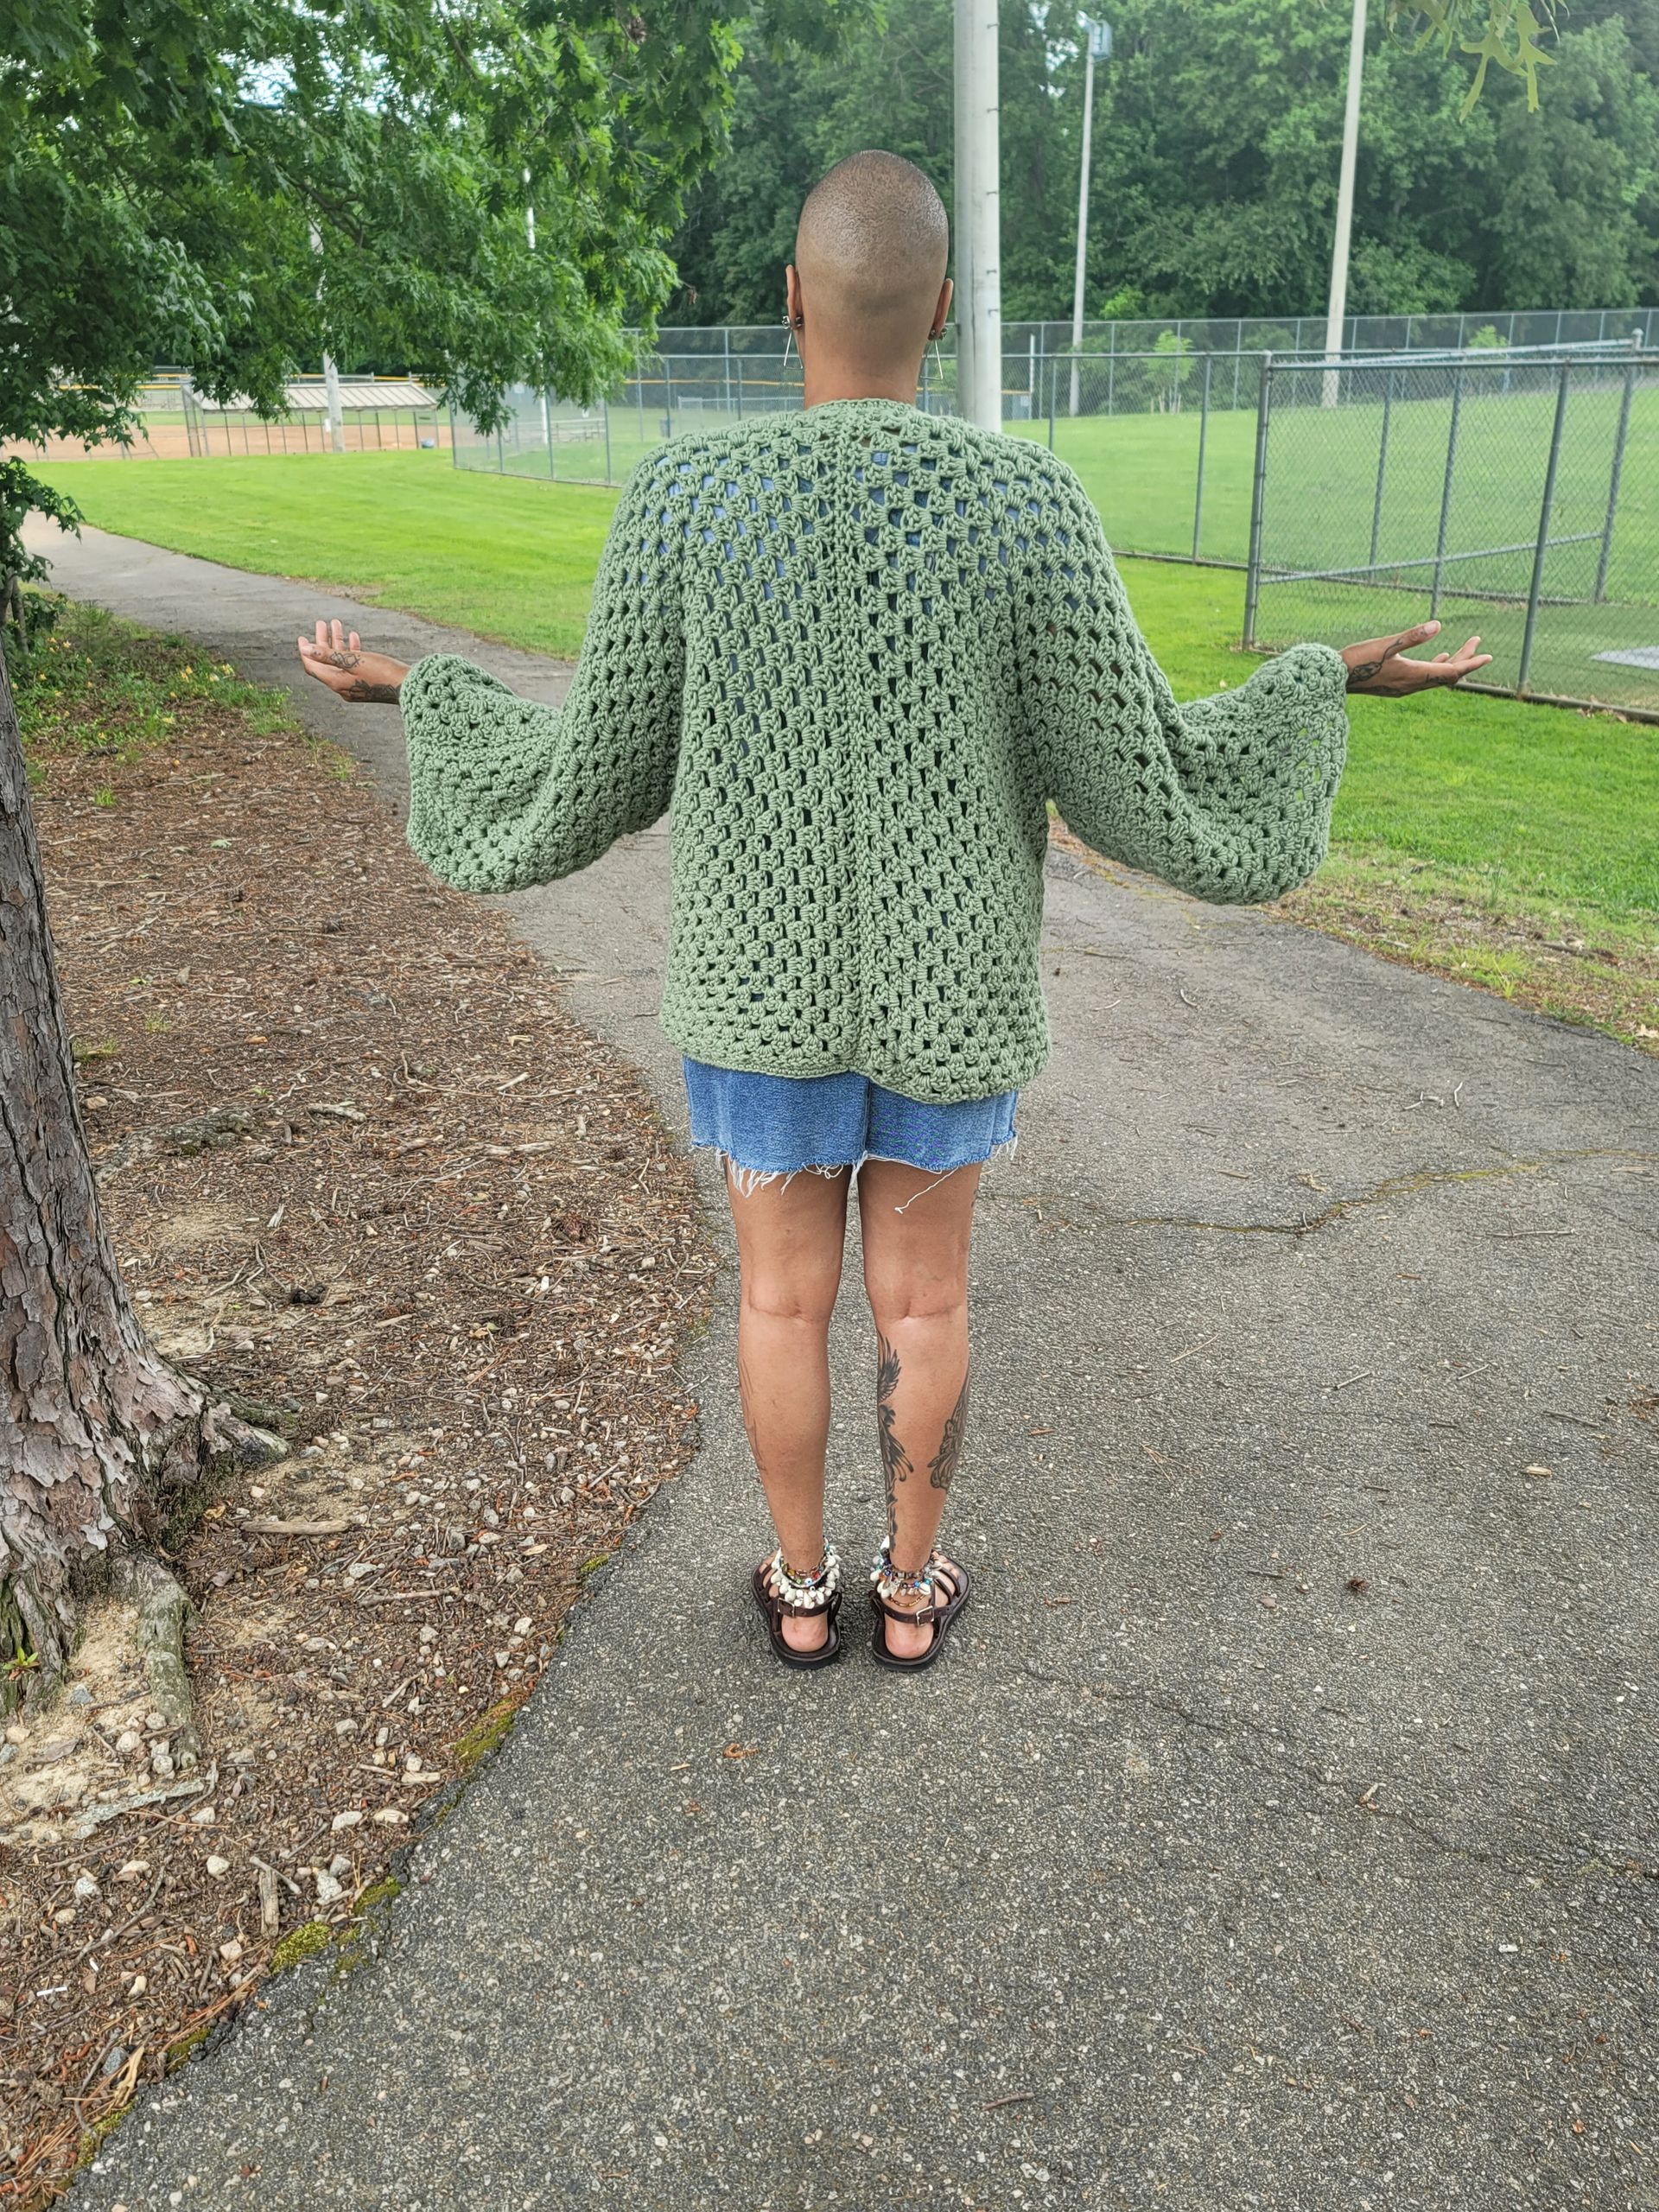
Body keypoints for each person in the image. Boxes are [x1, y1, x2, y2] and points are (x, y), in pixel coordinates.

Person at [298, 150, 1491, 1674]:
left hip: (757, 999)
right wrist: (1331, 675)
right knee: (923, 1305)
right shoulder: (1025, 505)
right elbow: (1146, 773)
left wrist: (420, 686)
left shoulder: (689, 502)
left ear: (791, 300)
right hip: (952, 996)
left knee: (782, 1302)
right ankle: (912, 1597)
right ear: (942, 311)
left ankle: (801, 1593)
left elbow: (591, 765)